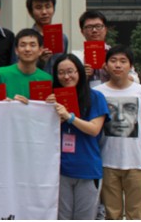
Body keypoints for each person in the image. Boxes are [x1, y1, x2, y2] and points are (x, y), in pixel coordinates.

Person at [94, 46, 141, 220]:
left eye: (123, 61)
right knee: (111, 214)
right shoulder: (98, 93)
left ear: (131, 66)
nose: (118, 65)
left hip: (137, 165)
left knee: (136, 214)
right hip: (107, 163)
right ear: (106, 65)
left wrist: (139, 150)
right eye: (113, 61)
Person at [47, 54, 109, 220]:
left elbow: (94, 129)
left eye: (70, 71)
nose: (66, 76)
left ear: (79, 72)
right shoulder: (52, 99)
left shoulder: (95, 97)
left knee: (85, 217)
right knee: (62, 217)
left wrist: (70, 117)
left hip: (87, 169)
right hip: (61, 170)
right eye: (61, 73)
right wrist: (47, 110)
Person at [72, 10, 139, 88]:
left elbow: (136, 80)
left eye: (98, 26)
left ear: (105, 29)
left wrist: (115, 73)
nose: (94, 30)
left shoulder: (118, 54)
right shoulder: (75, 57)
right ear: (82, 31)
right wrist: (81, 76)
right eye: (89, 27)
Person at [0, 28, 52, 99]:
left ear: (40, 50)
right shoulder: (0, 75)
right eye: (23, 45)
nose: (27, 49)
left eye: (32, 45)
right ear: (16, 50)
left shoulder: (47, 79)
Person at [26, 0, 69, 74]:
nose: (44, 12)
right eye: (38, 8)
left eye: (48, 6)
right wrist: (40, 61)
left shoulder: (62, 38)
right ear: (31, 12)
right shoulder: (25, 39)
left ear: (54, 9)